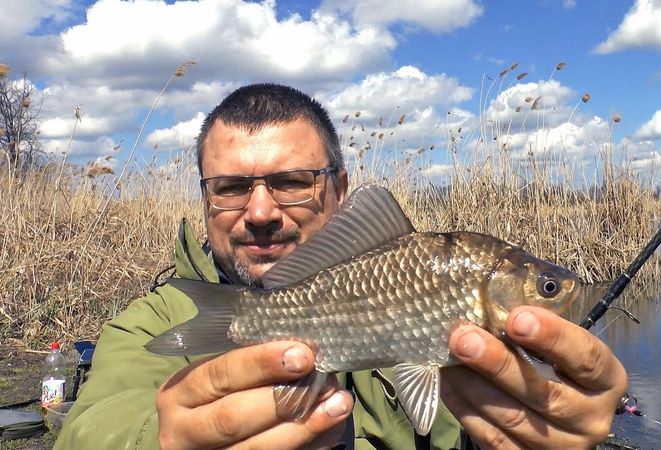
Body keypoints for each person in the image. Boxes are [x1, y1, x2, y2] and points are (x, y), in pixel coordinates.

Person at [55, 83, 627, 449]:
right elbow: (90, 427)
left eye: (291, 183)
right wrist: (160, 440)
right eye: (230, 187)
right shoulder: (151, 320)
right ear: (204, 198)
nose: (259, 211)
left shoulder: (484, 353)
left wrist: (543, 425)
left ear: (340, 189)